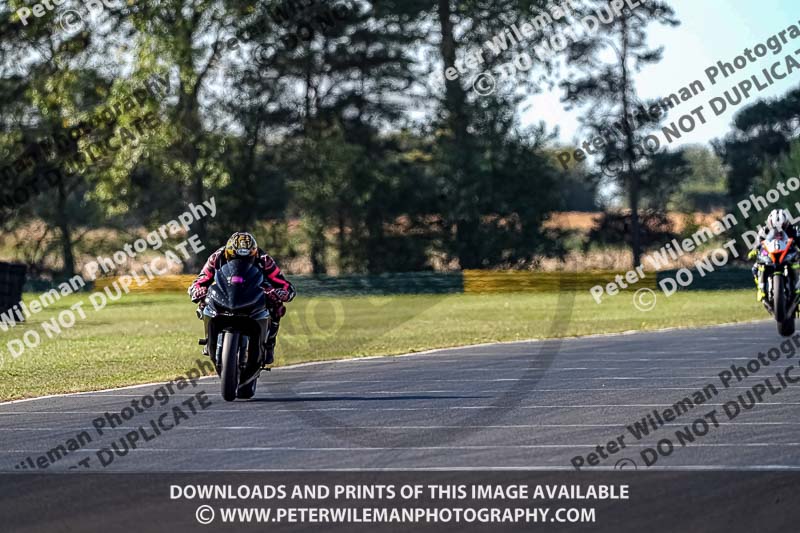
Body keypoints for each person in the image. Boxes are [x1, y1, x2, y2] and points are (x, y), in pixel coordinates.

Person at [188, 232, 295, 365]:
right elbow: (200, 280)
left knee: (276, 306)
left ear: (254, 254)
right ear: (228, 253)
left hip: (255, 291)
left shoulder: (264, 259)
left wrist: (281, 293)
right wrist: (198, 290)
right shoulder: (217, 257)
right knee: (205, 301)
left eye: (246, 259)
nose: (240, 263)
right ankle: (210, 338)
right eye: (234, 258)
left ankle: (269, 344)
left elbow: (284, 284)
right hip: (226, 291)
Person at [749, 208, 800, 301]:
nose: (779, 229)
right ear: (770, 223)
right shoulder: (764, 231)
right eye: (775, 226)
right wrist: (754, 251)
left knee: (797, 264)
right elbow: (758, 243)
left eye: (782, 226)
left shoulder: (793, 230)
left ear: (786, 223)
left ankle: (797, 286)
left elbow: (799, 240)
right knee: (755, 268)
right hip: (770, 255)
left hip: (788, 255)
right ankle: (761, 288)